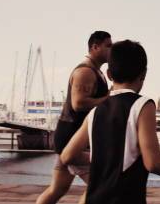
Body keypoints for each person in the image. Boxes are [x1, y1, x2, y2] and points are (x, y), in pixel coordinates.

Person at [61, 40, 160, 204]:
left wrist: (102, 158)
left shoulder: (95, 112)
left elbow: (67, 155)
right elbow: (153, 162)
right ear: (143, 74)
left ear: (109, 75)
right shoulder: (143, 106)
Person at [36, 31, 112, 204]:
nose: (111, 50)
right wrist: (109, 98)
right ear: (95, 47)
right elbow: (78, 104)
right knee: (100, 185)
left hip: (69, 139)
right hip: (72, 141)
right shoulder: (85, 72)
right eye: (108, 46)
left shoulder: (97, 72)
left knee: (58, 189)